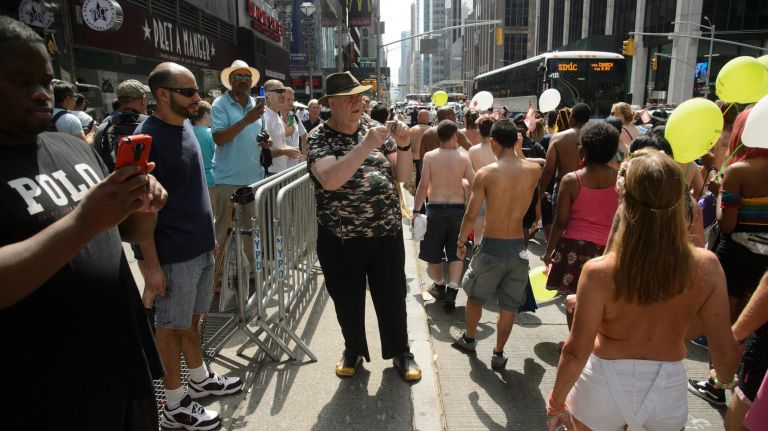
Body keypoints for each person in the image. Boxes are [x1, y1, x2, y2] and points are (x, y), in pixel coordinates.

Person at [0, 16, 166, 429]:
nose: (42, 94)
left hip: (124, 372)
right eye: (22, 82)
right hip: (45, 398)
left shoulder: (72, 147)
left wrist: (142, 209)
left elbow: (123, 232)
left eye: (46, 80)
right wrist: (83, 222)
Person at [546, 149, 740, 431]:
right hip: (667, 387)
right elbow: (723, 348)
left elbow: (576, 351)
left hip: (602, 384)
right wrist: (725, 380)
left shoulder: (600, 271)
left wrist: (555, 403)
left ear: (622, 198)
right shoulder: (706, 266)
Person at [136, 62, 242, 430]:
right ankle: (174, 405)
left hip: (199, 247)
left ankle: (198, 378)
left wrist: (209, 240)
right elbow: (138, 210)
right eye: (188, 91)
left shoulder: (186, 128)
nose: (198, 97)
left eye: (197, 90)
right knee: (170, 328)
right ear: (162, 94)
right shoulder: (145, 138)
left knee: (194, 321)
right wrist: (149, 264)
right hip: (172, 254)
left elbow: (193, 191)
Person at [306, 71, 421, 382]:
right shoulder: (319, 138)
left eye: (360, 97)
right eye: (350, 98)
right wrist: (365, 145)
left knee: (393, 296)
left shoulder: (372, 128)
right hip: (341, 237)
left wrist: (406, 146)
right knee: (347, 298)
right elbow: (330, 180)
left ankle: (401, 351)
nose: (358, 103)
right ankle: (353, 348)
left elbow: (400, 175)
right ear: (332, 103)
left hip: (385, 233)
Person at [689, 108, 768, 406]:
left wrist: (719, 194)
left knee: (723, 320)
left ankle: (718, 382)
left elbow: (728, 223)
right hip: (765, 260)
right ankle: (748, 382)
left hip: (736, 255)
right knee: (755, 321)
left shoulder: (739, 170)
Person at [450, 119, 541, 370]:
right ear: (516, 141)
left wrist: (460, 241)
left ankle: (470, 339)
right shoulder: (533, 171)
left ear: (493, 142)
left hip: (491, 246)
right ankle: (499, 354)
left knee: (476, 297)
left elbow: (471, 214)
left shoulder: (487, 173)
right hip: (517, 248)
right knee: (509, 305)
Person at [543, 122, 619, 335]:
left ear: (584, 150)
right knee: (602, 299)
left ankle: (576, 341)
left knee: (573, 300)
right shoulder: (620, 179)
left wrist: (549, 251)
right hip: (608, 249)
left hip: (574, 250)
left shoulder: (571, 180)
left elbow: (560, 222)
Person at [210, 60, 266, 277]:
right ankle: (217, 276)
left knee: (250, 230)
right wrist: (246, 121)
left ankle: (251, 273)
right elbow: (219, 138)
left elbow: (252, 135)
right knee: (223, 229)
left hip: (253, 178)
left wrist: (264, 141)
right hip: (228, 179)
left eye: (247, 76)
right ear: (230, 80)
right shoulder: (220, 104)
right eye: (239, 76)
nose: (243, 80)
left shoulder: (255, 102)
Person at [413, 120, 475, 310]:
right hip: (458, 210)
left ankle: (439, 284)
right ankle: (453, 289)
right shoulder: (464, 157)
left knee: (434, 252)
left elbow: (423, 185)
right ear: (455, 135)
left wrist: (416, 211)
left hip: (435, 209)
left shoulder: (430, 157)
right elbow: (474, 184)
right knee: (457, 251)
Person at [539, 103, 590, 219]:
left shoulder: (558, 137)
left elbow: (548, 168)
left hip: (563, 186)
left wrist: (540, 191)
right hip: (588, 187)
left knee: (560, 224)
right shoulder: (595, 136)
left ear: (571, 117)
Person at [92, 78, 149, 171]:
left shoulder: (104, 127)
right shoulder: (153, 125)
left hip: (114, 182)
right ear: (143, 100)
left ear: (119, 101)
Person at [467, 114, 498, 243]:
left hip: (478, 192)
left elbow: (469, 174)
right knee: (495, 227)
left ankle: (477, 254)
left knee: (478, 229)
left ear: (479, 130)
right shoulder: (499, 149)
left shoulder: (472, 150)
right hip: (496, 191)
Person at [263, 79, 302, 174]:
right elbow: (262, 153)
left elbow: (277, 144)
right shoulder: (264, 117)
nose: (283, 94)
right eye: (280, 91)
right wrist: (285, 151)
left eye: (284, 90)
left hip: (280, 172)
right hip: (270, 173)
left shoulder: (276, 115)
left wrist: (290, 150)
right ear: (268, 94)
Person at [190, 100, 216, 203]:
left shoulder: (188, 132)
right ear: (206, 114)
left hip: (194, 181)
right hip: (211, 180)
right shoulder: (211, 134)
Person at [281, 87, 307, 164]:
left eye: (293, 99)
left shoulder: (293, 116)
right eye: (288, 99)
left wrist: (303, 156)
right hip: (280, 169)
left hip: (295, 167)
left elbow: (304, 135)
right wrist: (284, 133)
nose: (291, 102)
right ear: (280, 100)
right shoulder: (275, 117)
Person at [408, 109, 431, 193]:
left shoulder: (411, 130)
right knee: (428, 184)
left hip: (414, 160)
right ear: (428, 119)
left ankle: (419, 205)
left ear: (418, 118)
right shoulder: (431, 130)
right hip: (427, 160)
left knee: (416, 185)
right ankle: (428, 202)